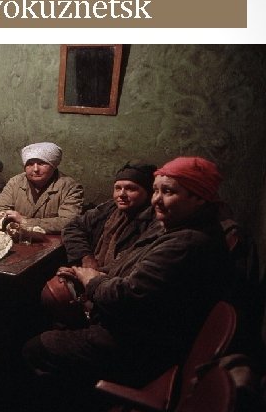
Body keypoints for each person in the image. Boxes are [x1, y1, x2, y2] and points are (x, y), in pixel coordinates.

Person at [23, 156, 233, 396]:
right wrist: (87, 269)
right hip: (131, 326)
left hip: (135, 343)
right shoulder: (171, 226)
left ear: (199, 198)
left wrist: (92, 279)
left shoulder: (186, 242)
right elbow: (123, 260)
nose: (157, 200)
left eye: (168, 192)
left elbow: (126, 296)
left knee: (36, 348)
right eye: (156, 191)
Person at [61, 161, 158, 268]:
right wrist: (86, 257)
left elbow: (132, 266)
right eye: (118, 188)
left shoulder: (154, 221)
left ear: (149, 192)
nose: (121, 194)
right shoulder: (110, 208)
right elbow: (72, 226)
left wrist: (90, 274)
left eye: (131, 189)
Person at [0, 142, 84, 234]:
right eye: (30, 164)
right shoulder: (16, 182)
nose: (35, 169)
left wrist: (24, 221)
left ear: (53, 165)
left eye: (42, 163)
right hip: (18, 238)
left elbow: (69, 222)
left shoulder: (69, 187)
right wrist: (3, 215)